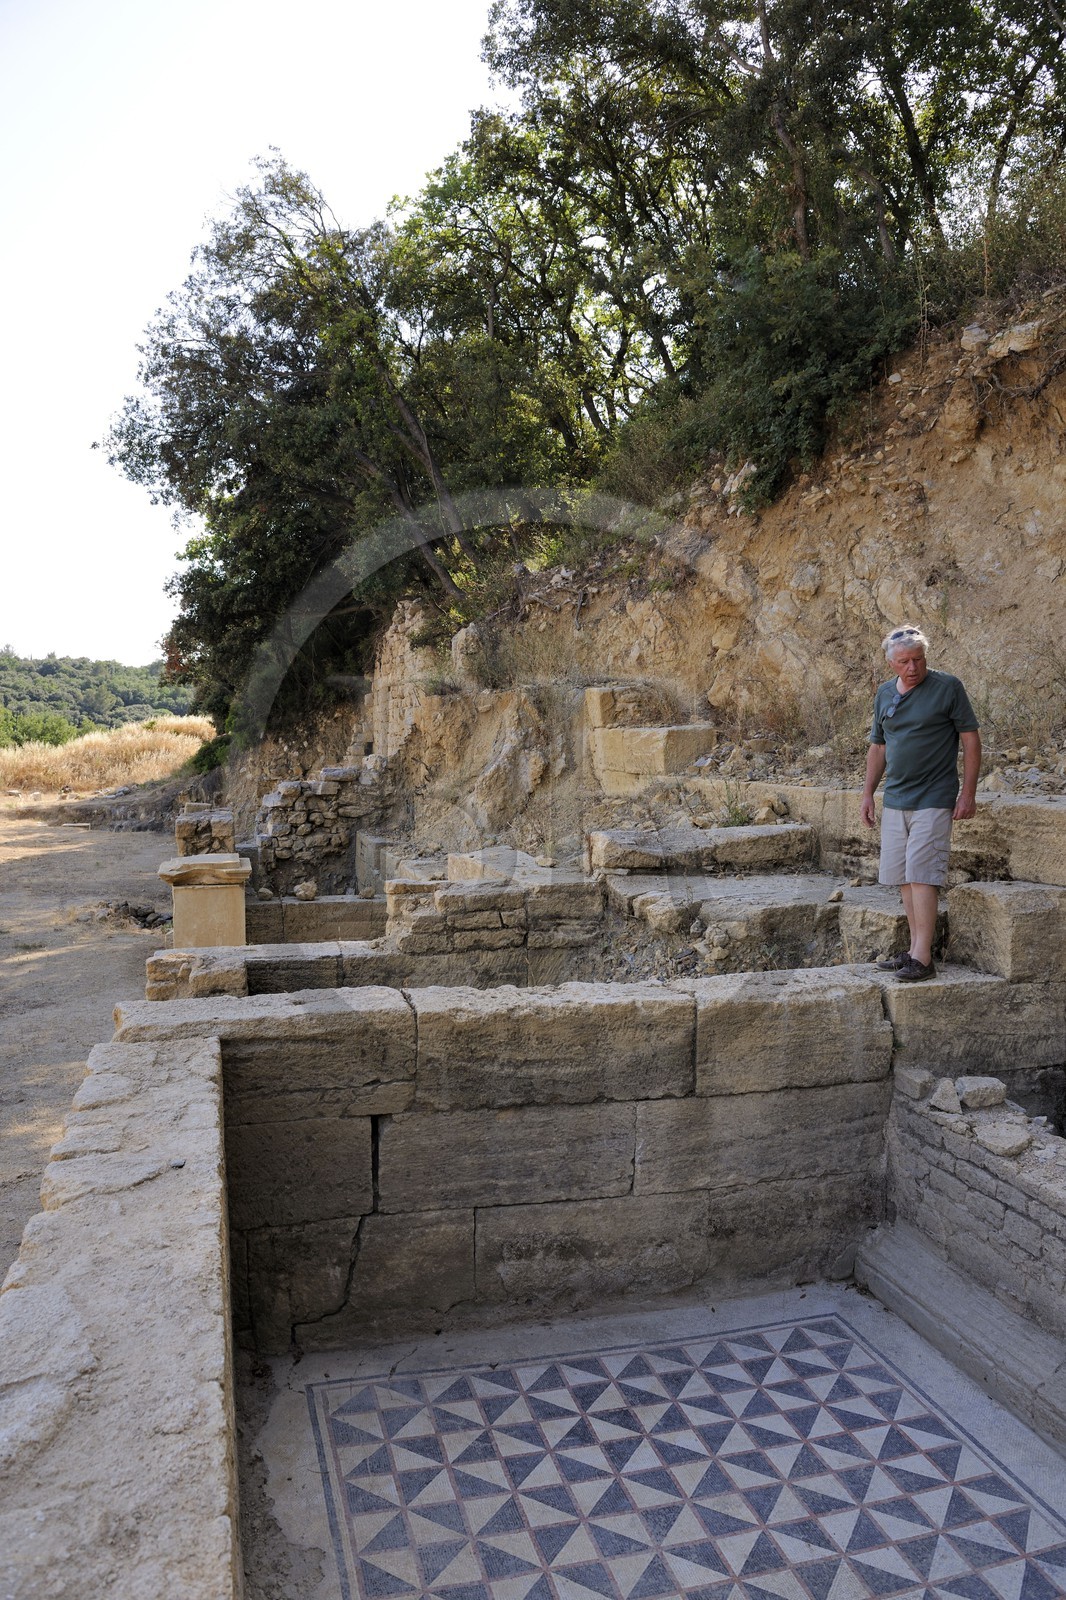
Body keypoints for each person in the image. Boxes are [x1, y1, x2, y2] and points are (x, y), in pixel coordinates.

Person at [860, 625, 981, 981]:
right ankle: (914, 950)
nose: (912, 668)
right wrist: (868, 793)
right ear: (891, 663)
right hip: (896, 796)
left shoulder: (948, 688)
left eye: (917, 659)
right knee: (904, 877)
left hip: (934, 795)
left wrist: (968, 793)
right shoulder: (884, 694)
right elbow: (878, 747)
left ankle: (924, 958)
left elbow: (970, 741)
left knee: (923, 874)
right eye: (903, 662)